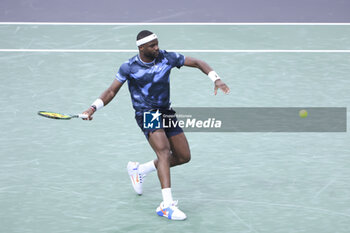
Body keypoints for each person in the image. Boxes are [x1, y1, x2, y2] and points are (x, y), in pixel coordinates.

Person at [83, 30, 230, 220]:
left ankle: (140, 170)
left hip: (166, 111)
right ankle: (166, 206)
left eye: (157, 43)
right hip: (147, 113)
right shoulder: (129, 67)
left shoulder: (166, 58)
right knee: (163, 151)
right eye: (152, 45)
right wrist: (93, 108)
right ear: (141, 48)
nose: (156, 47)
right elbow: (111, 91)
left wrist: (215, 78)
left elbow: (196, 62)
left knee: (184, 156)